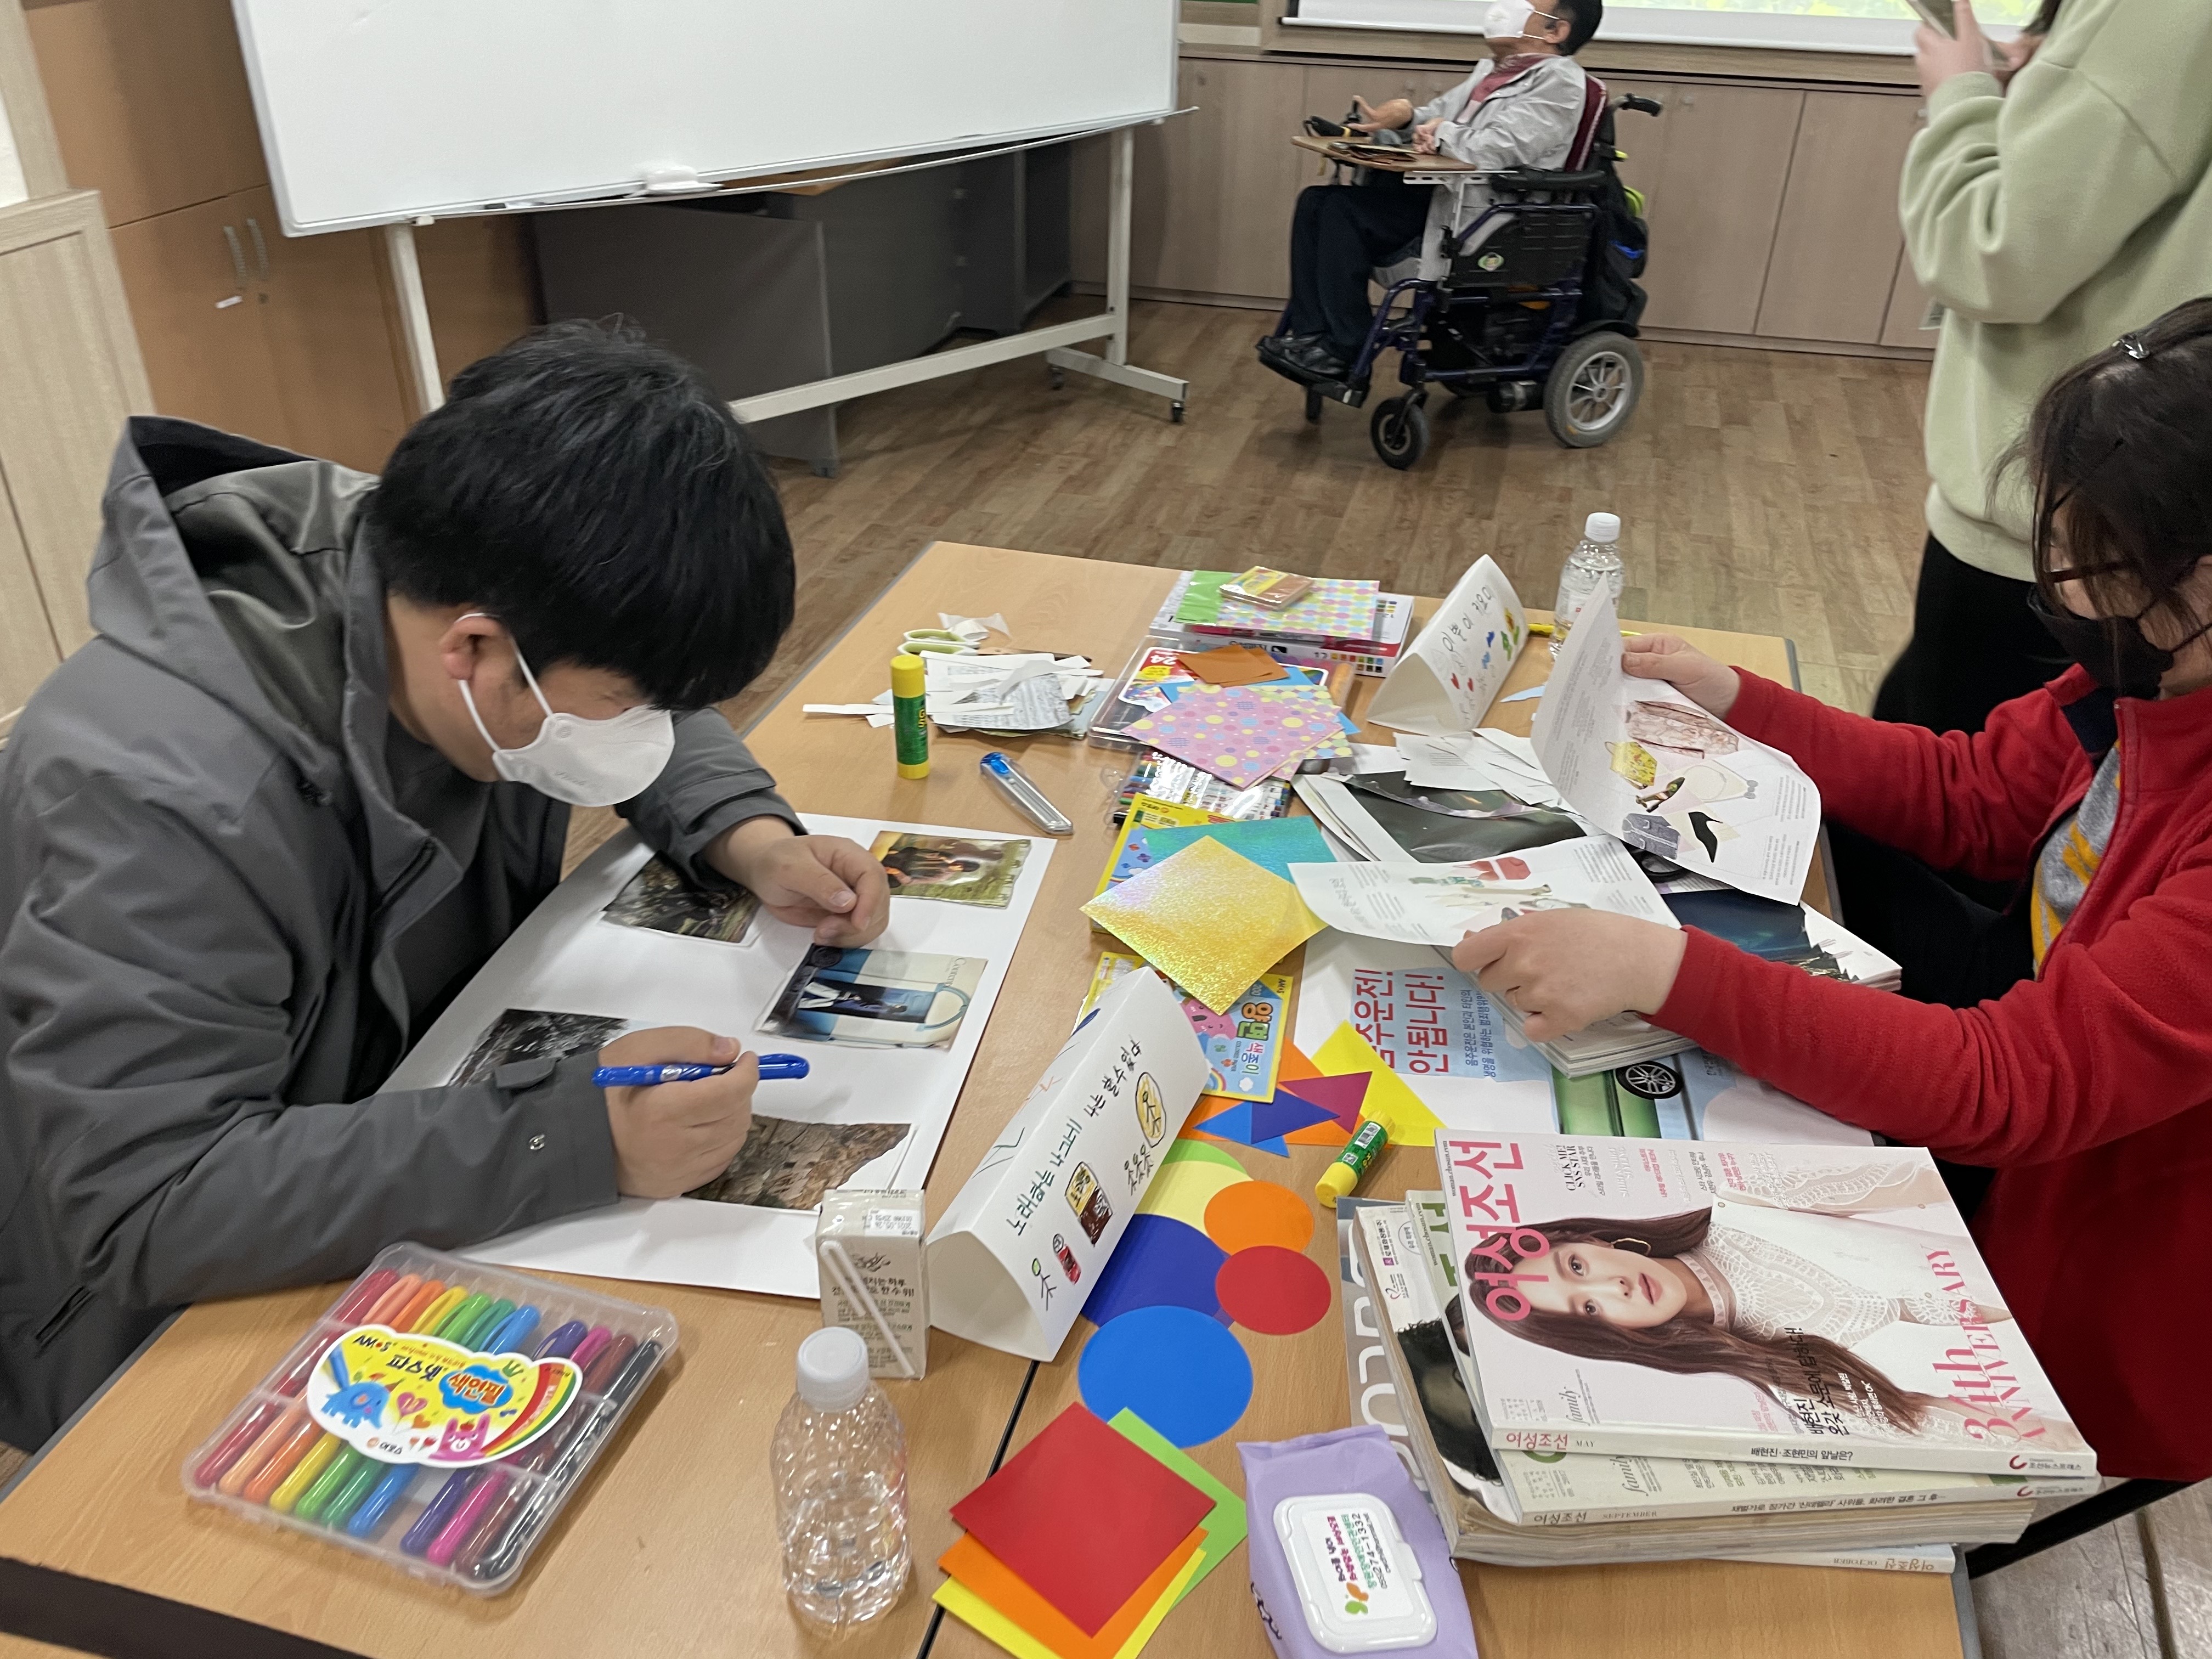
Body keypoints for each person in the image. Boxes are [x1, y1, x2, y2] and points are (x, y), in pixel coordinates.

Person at [0, 322, 891, 1451]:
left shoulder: (460, 573)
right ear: (472, 651)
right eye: (628, 709)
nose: (647, 733)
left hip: (405, 1117)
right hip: (159, 1327)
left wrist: (747, 833)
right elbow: (151, 1201)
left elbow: (621, 681)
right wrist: (576, 1140)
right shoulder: (156, 792)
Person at [1452, 300, 2212, 1478]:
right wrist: (1741, 701)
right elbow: (1974, 790)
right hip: (2021, 1075)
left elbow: (2016, 1081)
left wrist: (1664, 970)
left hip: (2103, 1256)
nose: (2069, 589)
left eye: (2102, 564)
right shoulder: (2154, 675)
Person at [1875, 0, 2212, 735]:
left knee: (1960, 777)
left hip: (2062, 535)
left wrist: (1960, 96)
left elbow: (1991, 255)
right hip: (2155, 535)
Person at [1465, 1167, 2084, 1452]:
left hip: (2052, 1235)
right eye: (1589, 1310)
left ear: (1594, 1241)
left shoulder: (1746, 1206)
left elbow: (1921, 1178)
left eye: (1578, 1267)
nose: (1613, 1288)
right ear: (1614, 1339)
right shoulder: (1798, 1385)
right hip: (2079, 1368)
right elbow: (2030, 1437)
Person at [1259, 0, 1602, 384]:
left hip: (1485, 217)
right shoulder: (1494, 72)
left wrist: (1439, 132)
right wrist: (1406, 117)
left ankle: (1344, 349)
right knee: (1315, 201)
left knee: (1342, 211)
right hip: (1444, 198)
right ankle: (1311, 336)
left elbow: (1498, 148)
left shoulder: (1561, 84)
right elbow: (1437, 115)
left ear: (1556, 32)